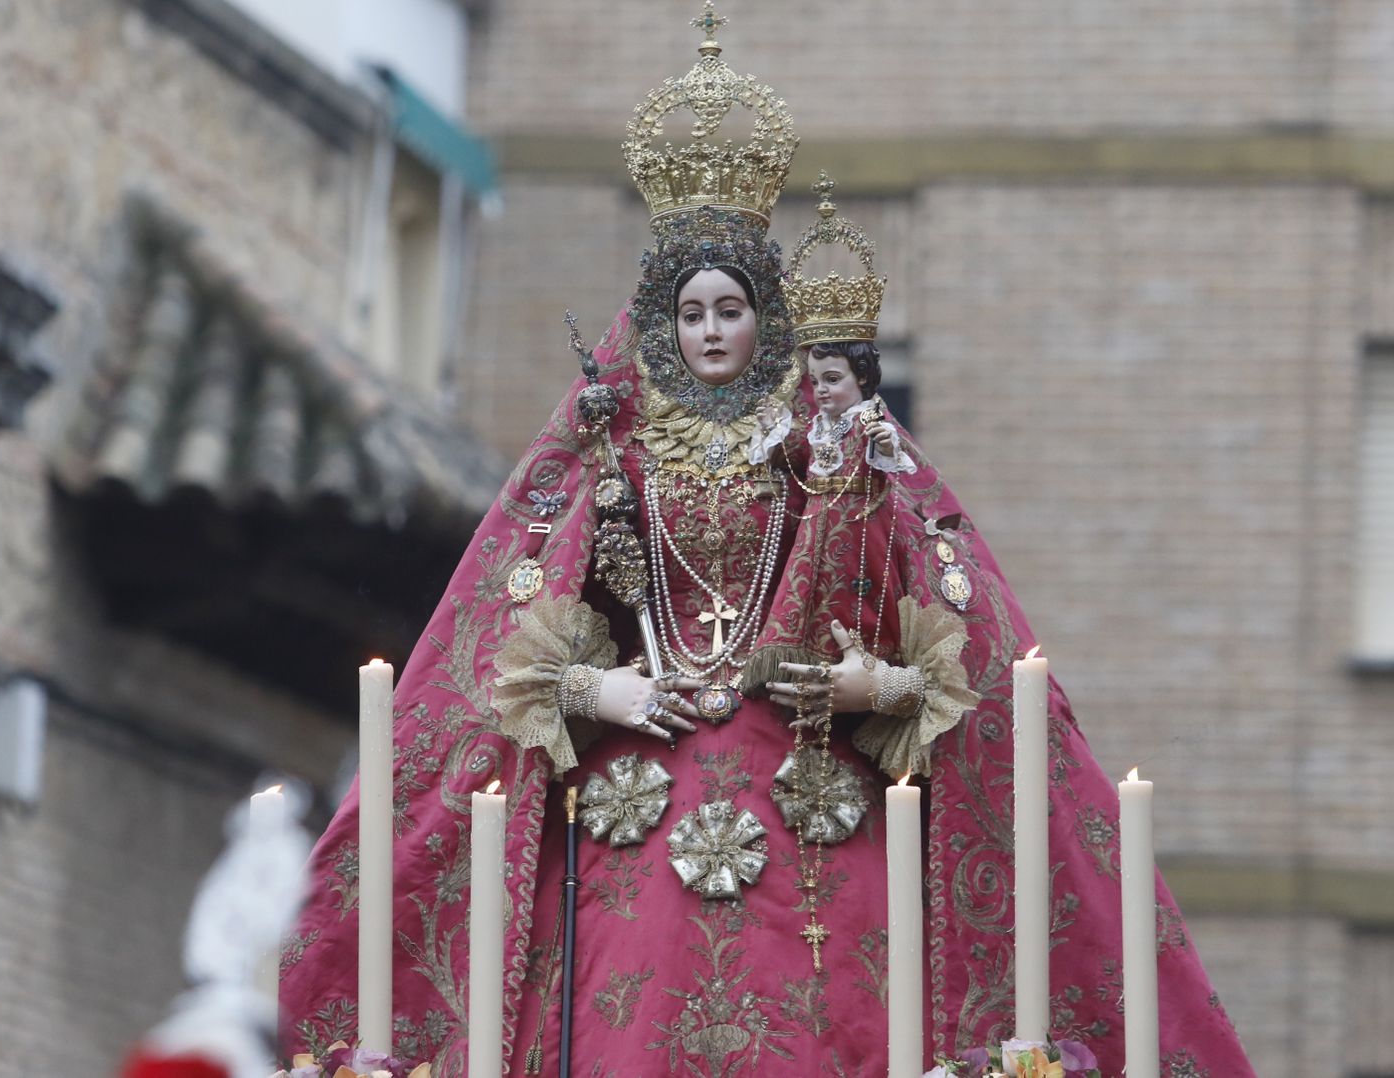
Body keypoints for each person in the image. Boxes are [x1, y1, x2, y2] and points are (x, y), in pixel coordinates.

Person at [280, 12, 1254, 1077]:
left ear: (766, 320)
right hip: (633, 812)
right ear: (663, 324)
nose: (710, 331)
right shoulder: (612, 457)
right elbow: (512, 648)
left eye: (730, 309)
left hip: (810, 800)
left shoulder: (835, 452)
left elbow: (953, 642)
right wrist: (604, 691)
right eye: (691, 311)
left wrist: (871, 682)